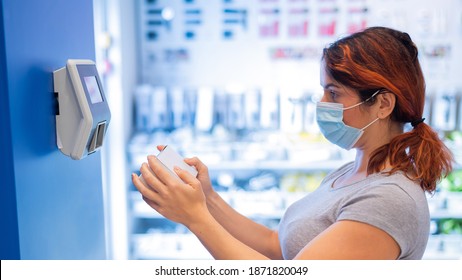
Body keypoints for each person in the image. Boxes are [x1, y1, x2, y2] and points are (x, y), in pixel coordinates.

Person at [131, 26, 454, 260]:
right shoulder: (351, 173)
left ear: (383, 105)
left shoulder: (388, 200)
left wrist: (195, 218)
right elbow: (277, 246)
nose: (321, 102)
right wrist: (208, 199)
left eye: (334, 93)